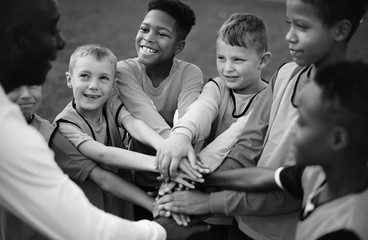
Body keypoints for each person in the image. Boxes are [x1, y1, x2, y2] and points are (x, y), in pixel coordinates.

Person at [155, 0, 368, 239]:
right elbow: (250, 147)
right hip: (242, 222)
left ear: (340, 30)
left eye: (302, 27)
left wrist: (209, 202)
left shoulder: (351, 105)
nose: (289, 36)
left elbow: (289, 194)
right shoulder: (285, 74)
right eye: (290, 24)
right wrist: (198, 182)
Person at [0, 0, 209, 239]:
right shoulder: (61, 128)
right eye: (51, 30)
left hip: (130, 201)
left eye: (103, 79)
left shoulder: (105, 104)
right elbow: (102, 163)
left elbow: (139, 123)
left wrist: (171, 150)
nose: (61, 41)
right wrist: (170, 159)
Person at [193, 60, 368, 239]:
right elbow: (267, 178)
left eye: (303, 122)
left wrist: (206, 202)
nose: (291, 130)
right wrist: (205, 179)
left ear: (337, 138)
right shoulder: (317, 173)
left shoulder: (345, 229)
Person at [156, 13, 271, 239]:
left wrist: (193, 172)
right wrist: (180, 136)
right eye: (221, 58)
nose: (227, 68)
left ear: (263, 61)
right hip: (192, 195)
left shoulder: (268, 100)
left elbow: (235, 137)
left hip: (229, 206)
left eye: (238, 60)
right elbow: (201, 111)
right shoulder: (218, 87)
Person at [54, 44, 202, 218]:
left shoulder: (109, 102)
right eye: (85, 76)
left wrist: (168, 149)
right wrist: (166, 163)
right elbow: (103, 155)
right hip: (89, 215)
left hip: (123, 205)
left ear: (112, 84)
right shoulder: (64, 125)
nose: (93, 85)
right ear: (69, 79)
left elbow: (134, 125)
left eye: (103, 78)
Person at [115, 0, 204, 220]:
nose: (148, 38)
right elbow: (144, 112)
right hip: (137, 178)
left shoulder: (190, 73)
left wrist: (177, 159)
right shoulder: (125, 70)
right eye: (144, 29)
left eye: (162, 34)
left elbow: (187, 119)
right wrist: (176, 150)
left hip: (178, 178)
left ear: (179, 46)